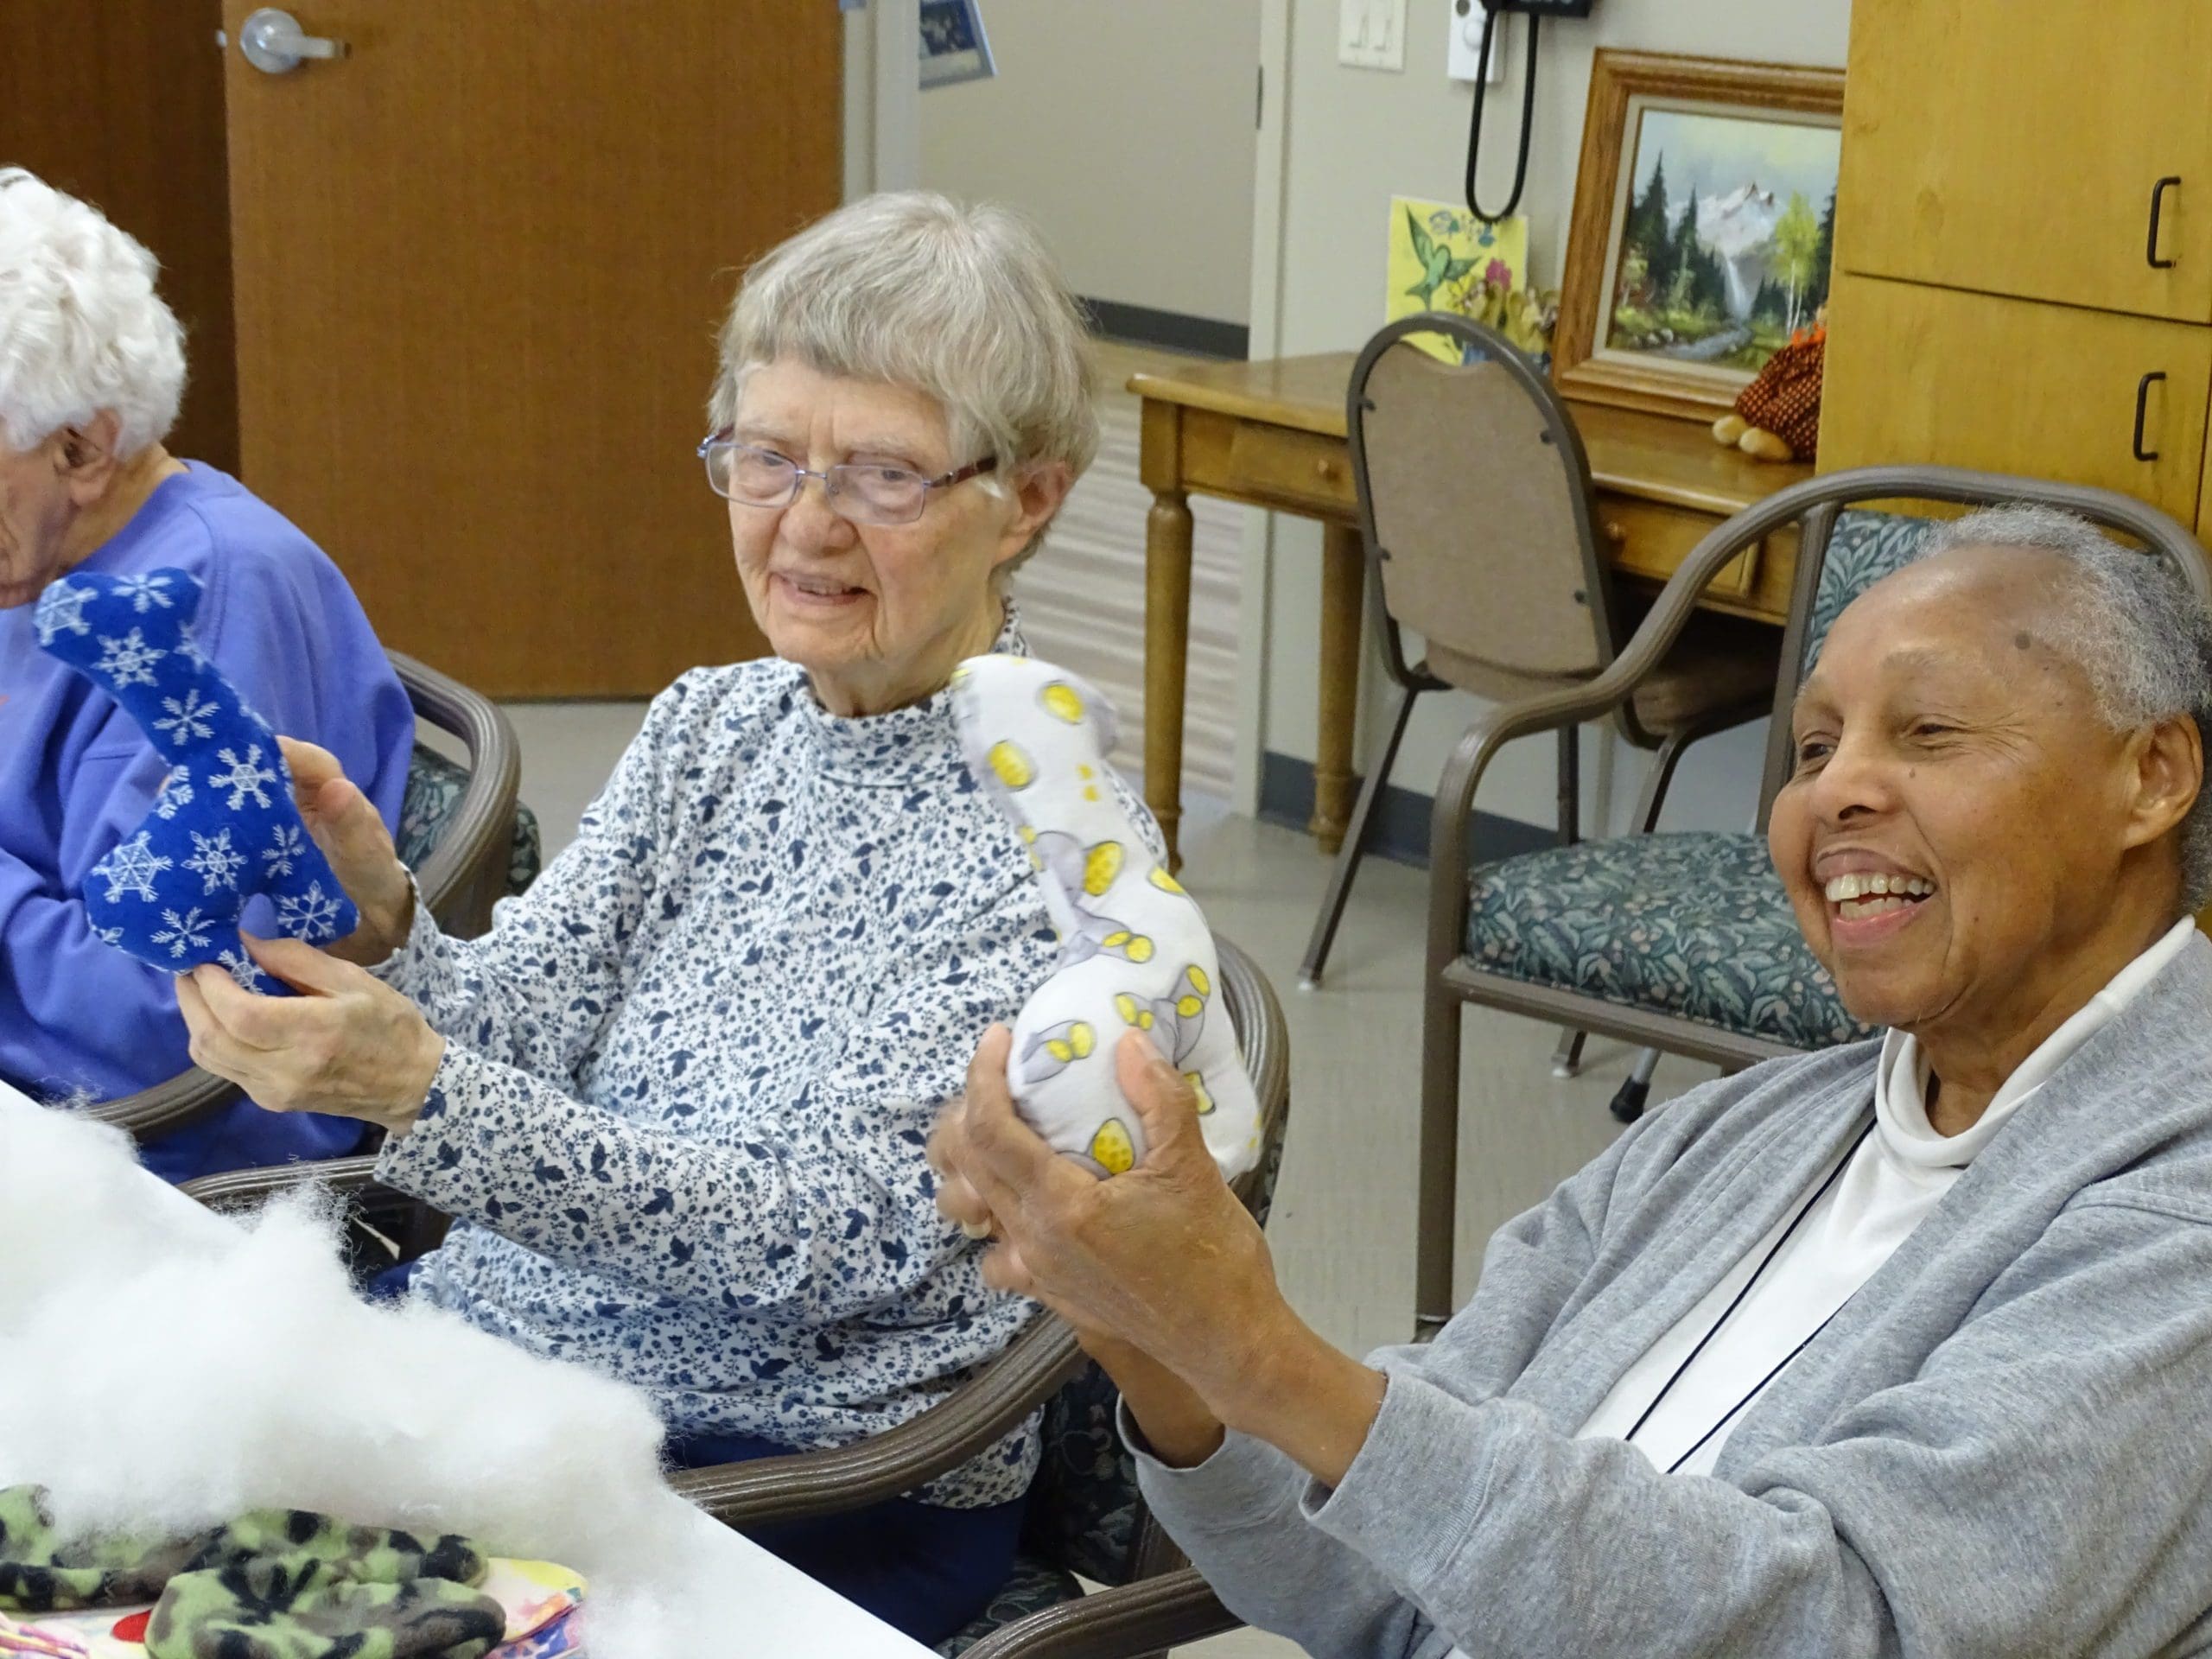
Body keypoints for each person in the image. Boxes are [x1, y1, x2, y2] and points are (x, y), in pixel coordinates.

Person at [934, 505, 2212, 1656]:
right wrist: (1151, 1337)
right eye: (1812, 747)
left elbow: (1843, 1623)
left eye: (1927, 731)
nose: (1837, 793)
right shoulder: (1730, 1140)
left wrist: (1262, 1355)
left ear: (2150, 776)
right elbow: (1372, 1574)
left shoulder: (2179, 1213)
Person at [173, 192, 1113, 1647]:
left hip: (789, 1481)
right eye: (765, 455)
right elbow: (525, 1030)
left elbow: (824, 1249)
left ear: (1028, 500)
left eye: (882, 475)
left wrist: (421, 1090)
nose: (805, 525)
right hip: (514, 1377)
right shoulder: (710, 727)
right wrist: (384, 916)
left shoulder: (1059, 837)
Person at [0, 168, 412, 1182]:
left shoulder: (207, 603)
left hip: (156, 1160)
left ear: (84, 448)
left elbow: (168, 1013)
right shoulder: (39, 552)